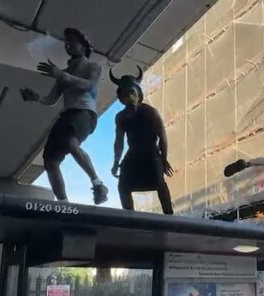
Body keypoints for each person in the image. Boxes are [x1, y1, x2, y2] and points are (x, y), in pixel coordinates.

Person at [20, 27, 108, 204]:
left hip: (85, 113)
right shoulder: (63, 72)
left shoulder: (93, 67)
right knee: (50, 161)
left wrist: (63, 75)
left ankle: (98, 184)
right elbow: (52, 99)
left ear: (84, 46)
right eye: (66, 41)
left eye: (73, 41)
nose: (68, 44)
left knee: (71, 142)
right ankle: (63, 204)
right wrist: (37, 98)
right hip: (67, 115)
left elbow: (89, 85)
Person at [109, 67, 174, 214]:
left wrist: (163, 159)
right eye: (126, 93)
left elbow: (162, 136)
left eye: (132, 92)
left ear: (138, 93)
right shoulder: (121, 117)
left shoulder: (151, 112)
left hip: (151, 155)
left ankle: (169, 216)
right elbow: (118, 142)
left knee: (159, 184)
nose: (130, 96)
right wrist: (116, 162)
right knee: (123, 186)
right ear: (121, 97)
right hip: (133, 156)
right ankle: (130, 219)